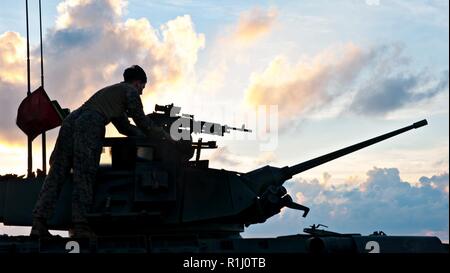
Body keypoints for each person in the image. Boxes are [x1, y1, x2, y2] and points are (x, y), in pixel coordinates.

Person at [30, 65, 171, 238]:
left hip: (70, 121)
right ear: (136, 82)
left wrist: (142, 134)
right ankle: (80, 226)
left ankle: (38, 224)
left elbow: (124, 127)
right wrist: (163, 137)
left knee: (58, 173)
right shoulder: (130, 91)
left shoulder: (113, 93)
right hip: (90, 123)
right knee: (84, 174)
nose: (141, 91)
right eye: (142, 86)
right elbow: (141, 120)